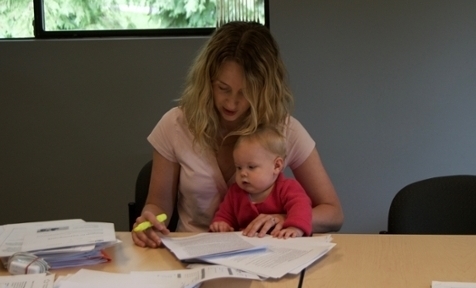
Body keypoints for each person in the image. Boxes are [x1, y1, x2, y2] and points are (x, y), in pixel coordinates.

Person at [132, 21, 343, 248]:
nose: (231, 102)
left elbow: (333, 213)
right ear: (207, 81)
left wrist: (284, 219)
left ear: (264, 90)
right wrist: (149, 220)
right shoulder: (175, 125)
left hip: (266, 254)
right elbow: (158, 206)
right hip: (195, 254)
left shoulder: (284, 131)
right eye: (223, 88)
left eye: (245, 93)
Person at [210, 125, 312, 238]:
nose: (243, 173)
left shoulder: (288, 188)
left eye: (251, 167)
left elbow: (302, 208)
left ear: (276, 166)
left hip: (280, 242)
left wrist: (295, 228)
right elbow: (224, 215)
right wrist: (221, 224)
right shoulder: (235, 193)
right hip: (247, 247)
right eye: (239, 167)